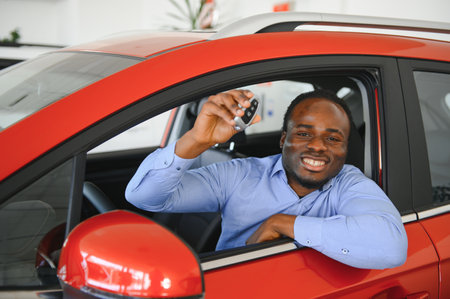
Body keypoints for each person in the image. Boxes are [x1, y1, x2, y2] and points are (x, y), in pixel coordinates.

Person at [125, 89, 408, 269]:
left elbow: (392, 246)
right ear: (284, 139)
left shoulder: (351, 184)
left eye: (333, 138)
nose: (319, 147)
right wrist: (196, 141)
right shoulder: (240, 175)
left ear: (345, 148)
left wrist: (283, 223)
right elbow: (144, 197)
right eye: (304, 133)